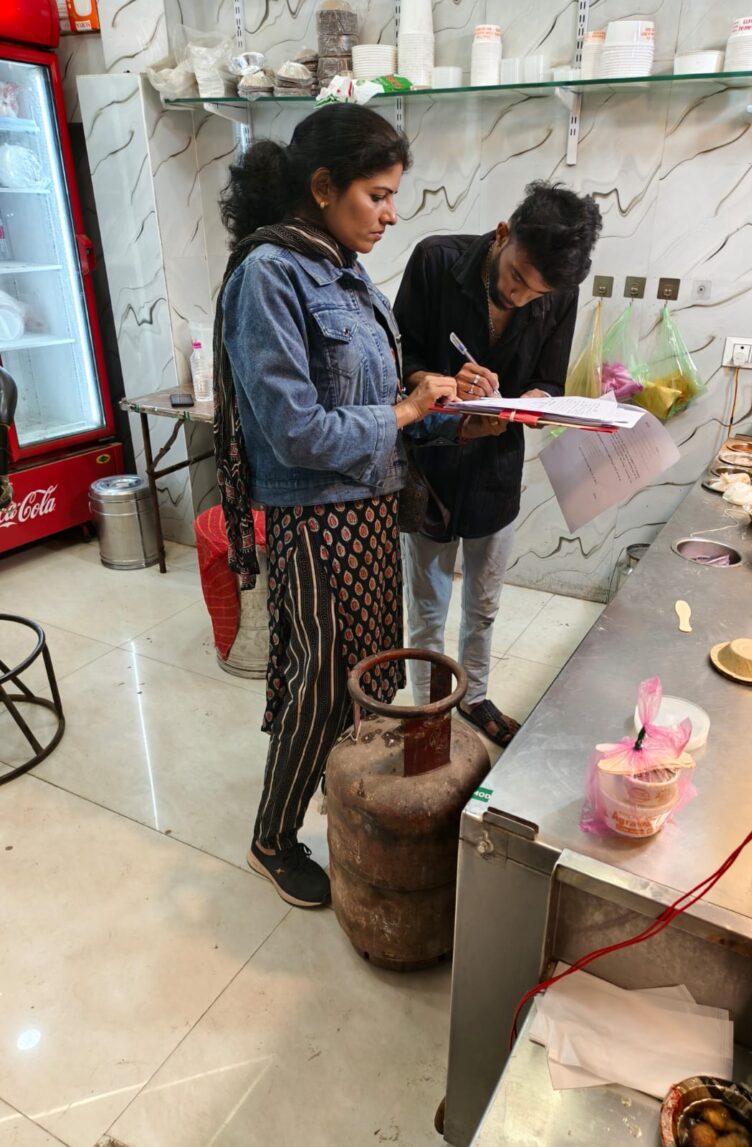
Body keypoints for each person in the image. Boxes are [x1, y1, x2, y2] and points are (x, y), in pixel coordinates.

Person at [215, 105, 456, 908]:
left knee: (367, 675)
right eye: (377, 195)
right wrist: (404, 411)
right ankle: (271, 838)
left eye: (394, 197)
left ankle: (343, 797)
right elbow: (293, 429)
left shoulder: (346, 273)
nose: (391, 214)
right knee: (318, 684)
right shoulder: (269, 274)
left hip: (369, 508)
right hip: (316, 516)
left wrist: (432, 397)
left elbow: (370, 395)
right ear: (323, 186)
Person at [394, 182, 602, 746]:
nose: (520, 296)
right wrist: (435, 381)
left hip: (496, 468)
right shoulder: (436, 261)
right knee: (428, 606)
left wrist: (535, 401)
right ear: (503, 234)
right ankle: (429, 711)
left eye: (536, 293)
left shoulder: (558, 294)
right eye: (516, 277)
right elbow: (398, 354)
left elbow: (549, 380)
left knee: (483, 604)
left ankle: (475, 697)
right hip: (433, 465)